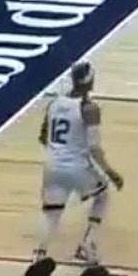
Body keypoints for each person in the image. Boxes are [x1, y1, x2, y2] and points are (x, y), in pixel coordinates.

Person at [35, 61, 124, 264]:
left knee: (51, 215)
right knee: (102, 195)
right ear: (90, 81)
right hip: (77, 167)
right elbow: (94, 148)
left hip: (52, 167)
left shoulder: (54, 104)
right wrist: (110, 172)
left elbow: (42, 137)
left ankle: (39, 255)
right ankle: (87, 244)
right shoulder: (89, 108)